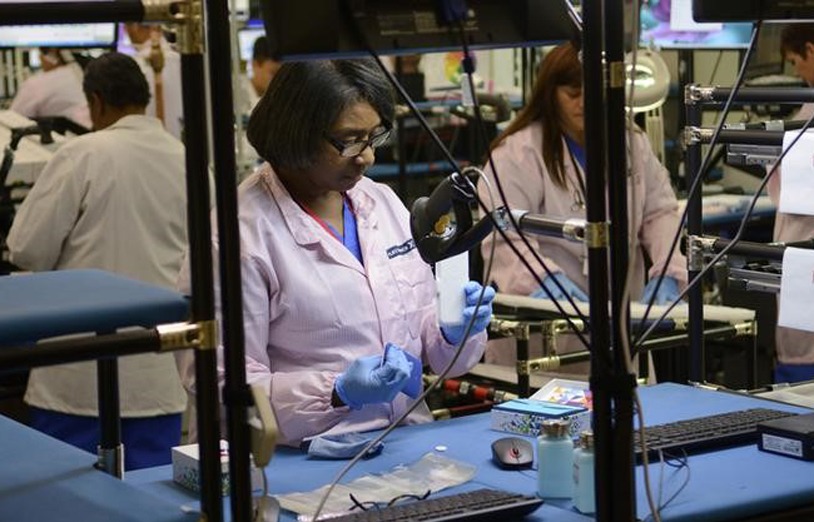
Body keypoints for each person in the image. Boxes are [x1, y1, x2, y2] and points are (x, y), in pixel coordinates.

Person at [177, 59, 494, 448]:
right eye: (348, 140)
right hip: (296, 459)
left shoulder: (380, 202)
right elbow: (223, 385)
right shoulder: (238, 234)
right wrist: (336, 391)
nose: (366, 157)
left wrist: (451, 330)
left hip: (403, 441)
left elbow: (432, 350)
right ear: (297, 133)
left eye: (374, 137)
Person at [6, 52, 188, 470]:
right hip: (157, 373)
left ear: (97, 102)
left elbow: (26, 250)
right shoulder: (187, 160)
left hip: (77, 377)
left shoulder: (81, 154)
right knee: (151, 503)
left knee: (68, 502)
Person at [478, 42, 687, 366]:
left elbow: (659, 212)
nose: (585, 103)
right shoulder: (517, 154)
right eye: (573, 93)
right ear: (550, 94)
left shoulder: (631, 143)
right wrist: (543, 282)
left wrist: (668, 274)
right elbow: (505, 236)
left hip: (620, 324)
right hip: (544, 340)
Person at [764, 24, 814, 383]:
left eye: (796, 60)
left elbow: (792, 193)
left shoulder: (804, 121)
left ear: (811, 50)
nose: (796, 71)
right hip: (800, 251)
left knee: (799, 383)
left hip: (803, 247)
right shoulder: (805, 112)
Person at [124, 23, 184, 141]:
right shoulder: (185, 62)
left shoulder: (132, 67)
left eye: (125, 26)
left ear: (134, 27)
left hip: (146, 144)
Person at [10, 47, 91, 129]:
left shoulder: (37, 83)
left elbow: (14, 119)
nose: (40, 59)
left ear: (52, 55)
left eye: (41, 55)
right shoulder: (81, 74)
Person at [240, 35, 281, 113]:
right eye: (273, 73)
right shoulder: (238, 96)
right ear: (255, 64)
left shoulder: (278, 99)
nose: (278, 82)